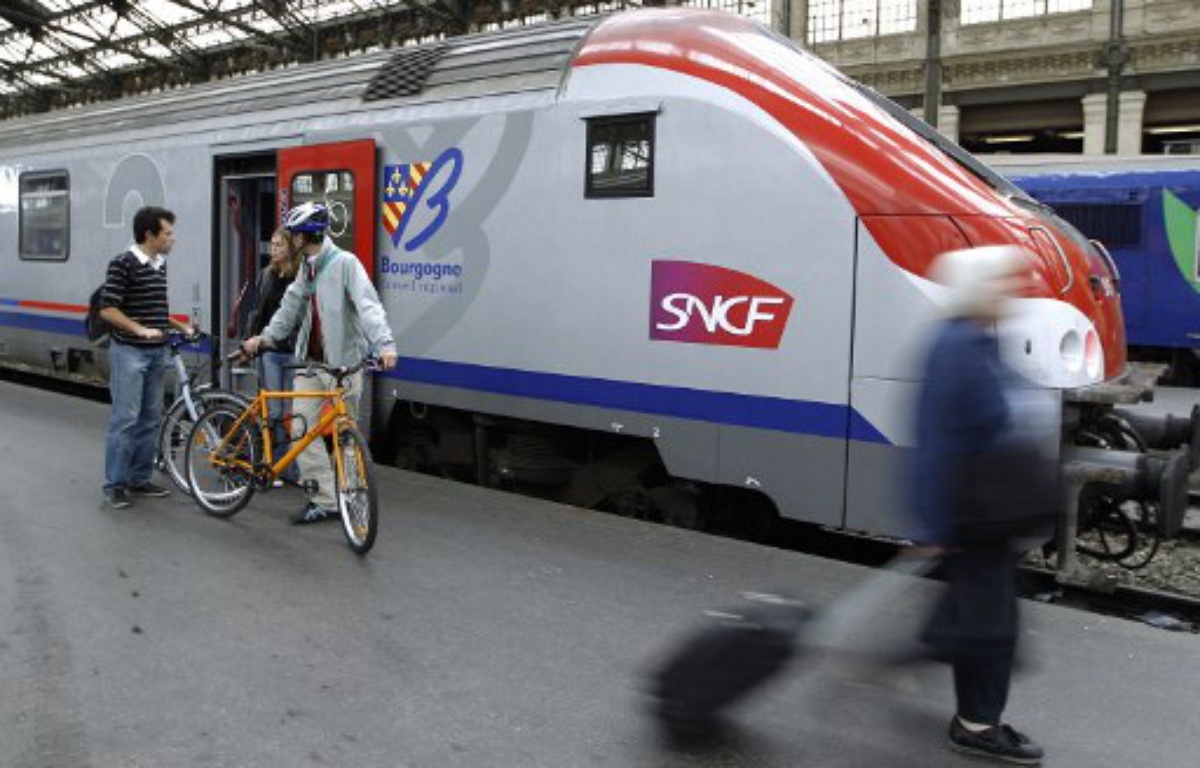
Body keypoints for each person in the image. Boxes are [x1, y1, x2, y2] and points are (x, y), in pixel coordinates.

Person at [908, 244, 1045, 765]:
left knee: (982, 620)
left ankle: (958, 700)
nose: (1010, 292)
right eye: (998, 283)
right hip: (973, 517)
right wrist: (931, 521)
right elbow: (935, 438)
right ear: (971, 288)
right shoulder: (955, 346)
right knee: (991, 628)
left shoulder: (974, 339)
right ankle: (976, 726)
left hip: (988, 515)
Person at [241, 202, 398, 524]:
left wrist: (384, 344)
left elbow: (369, 307)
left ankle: (353, 497)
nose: (290, 238)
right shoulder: (308, 267)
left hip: (343, 365)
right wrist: (265, 338)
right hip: (310, 365)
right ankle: (326, 500)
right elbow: (290, 308)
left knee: (346, 435)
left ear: (304, 237)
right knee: (301, 430)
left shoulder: (345, 264)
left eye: (294, 234)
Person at [100, 205, 195, 509]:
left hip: (157, 352)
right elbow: (108, 309)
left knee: (151, 419)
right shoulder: (122, 264)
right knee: (125, 420)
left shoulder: (160, 264)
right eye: (168, 233)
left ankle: (139, 479)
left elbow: (155, 309)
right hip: (129, 352)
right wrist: (139, 329)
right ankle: (114, 484)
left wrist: (181, 326)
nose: (173, 238)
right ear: (149, 234)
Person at [245, 228, 303, 483]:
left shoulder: (300, 277)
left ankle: (291, 466)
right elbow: (257, 312)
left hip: (292, 353)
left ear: (291, 248)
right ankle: (276, 464)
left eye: (280, 245)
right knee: (275, 412)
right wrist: (252, 341)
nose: (274, 249)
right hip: (268, 352)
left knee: (293, 413)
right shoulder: (265, 276)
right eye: (272, 244)